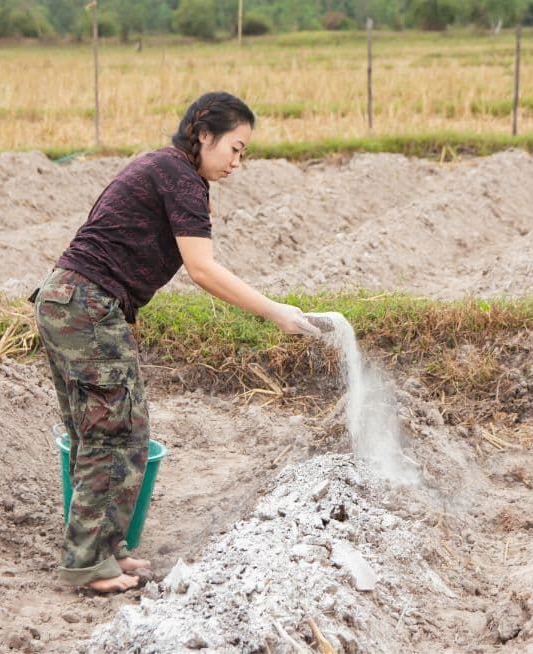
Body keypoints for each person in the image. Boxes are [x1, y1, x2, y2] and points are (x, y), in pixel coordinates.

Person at [31, 91, 320, 593]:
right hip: (85, 304)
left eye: (244, 153)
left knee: (103, 428)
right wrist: (275, 311)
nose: (237, 162)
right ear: (203, 133)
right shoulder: (182, 179)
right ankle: (86, 562)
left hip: (69, 300)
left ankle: (105, 549)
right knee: (114, 432)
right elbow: (203, 268)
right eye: (235, 147)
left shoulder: (165, 168)